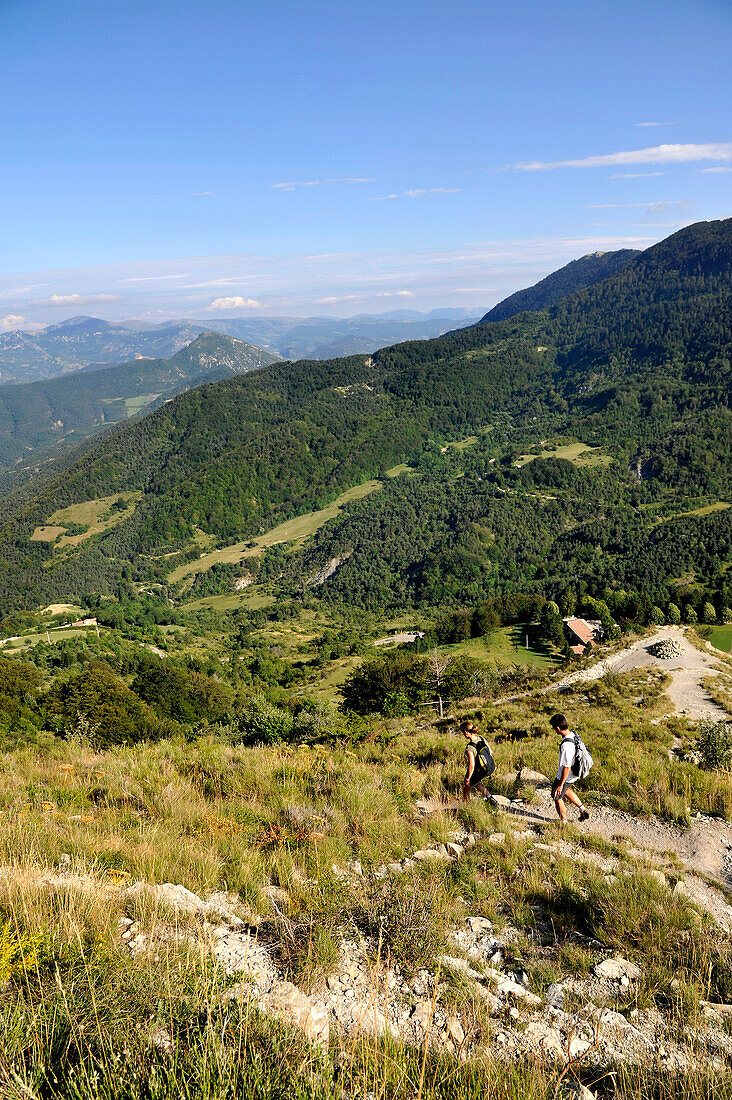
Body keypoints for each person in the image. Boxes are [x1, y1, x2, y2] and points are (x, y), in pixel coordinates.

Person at [550, 713, 590, 823]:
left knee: (556, 795)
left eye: (554, 728)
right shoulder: (573, 734)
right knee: (565, 790)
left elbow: (566, 768)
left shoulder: (566, 746)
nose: (554, 730)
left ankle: (564, 822)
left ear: (558, 728)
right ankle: (582, 809)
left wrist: (560, 784)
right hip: (575, 773)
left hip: (567, 775)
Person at [461, 719, 495, 801]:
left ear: (466, 732)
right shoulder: (481, 739)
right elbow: (490, 751)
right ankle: (490, 797)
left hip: (478, 769)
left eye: (462, 732)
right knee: (476, 782)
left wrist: (467, 779)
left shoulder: (470, 747)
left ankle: (467, 806)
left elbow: (471, 766)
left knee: (466, 787)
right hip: (488, 767)